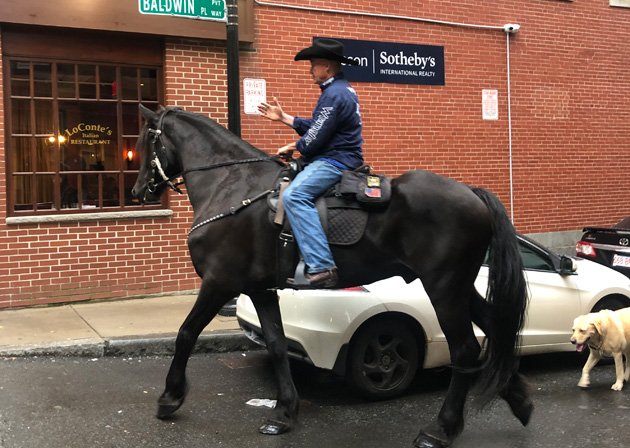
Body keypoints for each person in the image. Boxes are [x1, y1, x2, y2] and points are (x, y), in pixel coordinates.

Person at [258, 38, 364, 289]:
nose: (310, 70)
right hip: (338, 155)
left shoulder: (333, 95)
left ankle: (321, 265)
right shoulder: (340, 90)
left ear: (326, 66)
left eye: (314, 65)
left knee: (295, 196)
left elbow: (314, 139)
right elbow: (318, 127)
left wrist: (295, 146)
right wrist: (285, 118)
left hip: (336, 161)